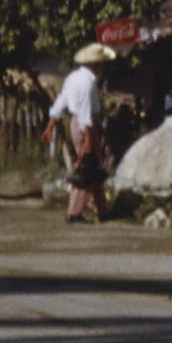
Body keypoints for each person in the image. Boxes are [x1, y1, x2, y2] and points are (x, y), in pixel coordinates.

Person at [52, 43, 114, 223]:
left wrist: (51, 122)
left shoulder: (74, 77)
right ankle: (74, 212)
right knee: (86, 167)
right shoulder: (87, 83)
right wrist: (88, 139)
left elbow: (61, 100)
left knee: (95, 167)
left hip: (80, 123)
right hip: (85, 126)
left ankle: (102, 210)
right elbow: (86, 113)